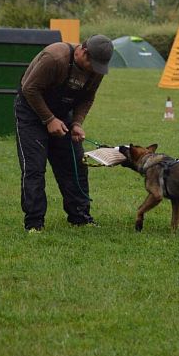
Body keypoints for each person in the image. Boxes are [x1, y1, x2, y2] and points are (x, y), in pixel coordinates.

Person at [14, 34, 113, 232]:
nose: (94, 69)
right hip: (31, 113)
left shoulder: (97, 69)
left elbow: (88, 97)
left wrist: (77, 123)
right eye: (91, 63)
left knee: (75, 164)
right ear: (82, 51)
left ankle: (80, 217)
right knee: (34, 168)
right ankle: (34, 223)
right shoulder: (55, 58)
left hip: (63, 114)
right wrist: (49, 119)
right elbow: (29, 89)